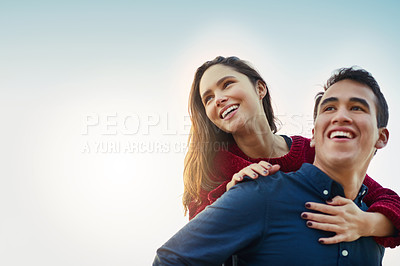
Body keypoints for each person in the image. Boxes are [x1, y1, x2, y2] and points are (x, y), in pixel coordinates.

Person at [153, 67, 395, 265]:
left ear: (260, 88)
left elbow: (382, 197)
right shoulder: (213, 171)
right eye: (208, 98)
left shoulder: (312, 150)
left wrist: (367, 223)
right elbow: (191, 249)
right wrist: (228, 196)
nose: (219, 98)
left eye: (227, 84)